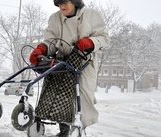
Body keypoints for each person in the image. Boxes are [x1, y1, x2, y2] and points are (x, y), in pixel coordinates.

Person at [29, 0, 110, 136]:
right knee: (60, 93)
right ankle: (64, 131)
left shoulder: (91, 15)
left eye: (65, 2)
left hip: (84, 63)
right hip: (62, 60)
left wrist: (90, 42)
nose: (62, 6)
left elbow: (104, 38)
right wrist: (42, 48)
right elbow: (51, 41)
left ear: (75, 2)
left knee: (80, 98)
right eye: (58, 3)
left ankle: (79, 128)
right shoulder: (55, 18)